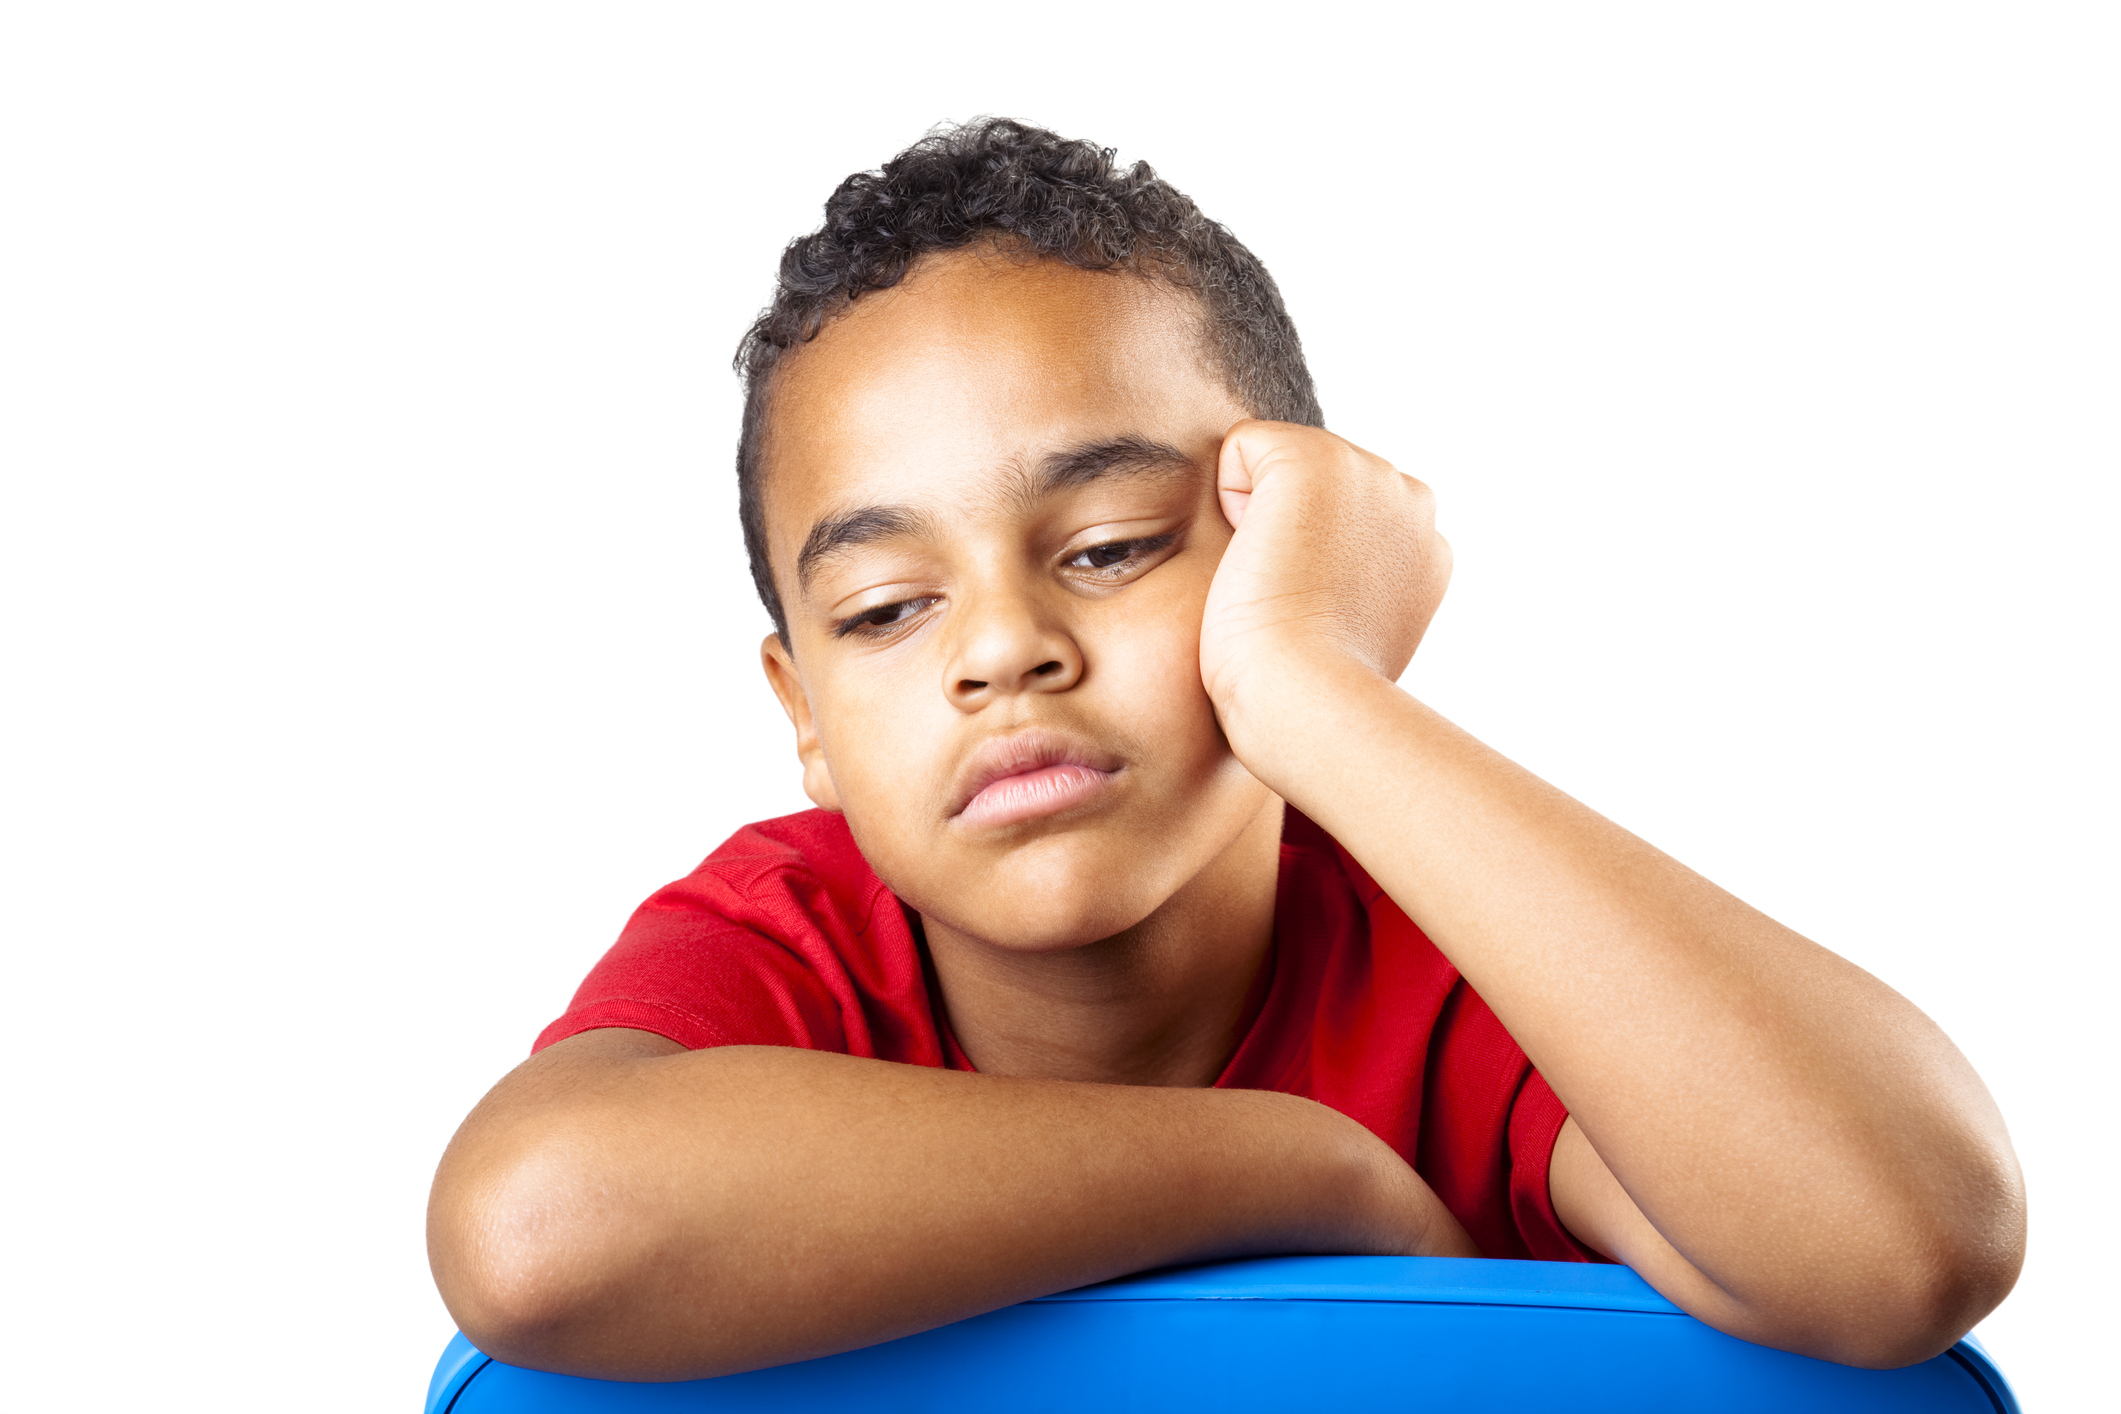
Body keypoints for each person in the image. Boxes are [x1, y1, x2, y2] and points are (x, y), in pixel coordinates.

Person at [426, 119, 2025, 1382]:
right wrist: (1292, 1171)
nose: (1002, 649)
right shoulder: (791, 938)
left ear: (1278, 544)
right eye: (888, 605)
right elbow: (535, 1227)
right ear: (802, 716)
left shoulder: (1465, 970)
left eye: (1115, 545)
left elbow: (1907, 1240)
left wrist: (1318, 687)